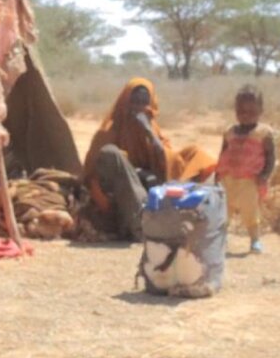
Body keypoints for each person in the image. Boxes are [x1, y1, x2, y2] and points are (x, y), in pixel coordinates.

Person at [83, 78, 216, 241]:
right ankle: (141, 223)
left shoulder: (151, 127)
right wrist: (130, 169)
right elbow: (91, 173)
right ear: (125, 101)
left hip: (147, 185)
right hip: (117, 192)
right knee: (111, 153)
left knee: (197, 155)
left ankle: (187, 213)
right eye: (135, 101)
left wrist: (150, 134)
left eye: (144, 102)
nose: (139, 107)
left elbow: (167, 159)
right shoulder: (109, 130)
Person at [215, 85, 276, 254]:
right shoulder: (229, 132)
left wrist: (265, 175)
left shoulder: (263, 133)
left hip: (250, 180)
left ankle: (255, 240)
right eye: (241, 110)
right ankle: (221, 240)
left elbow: (271, 157)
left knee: (250, 211)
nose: (245, 115)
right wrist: (217, 174)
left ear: (260, 110)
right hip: (228, 179)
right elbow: (223, 153)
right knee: (223, 210)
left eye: (251, 111)